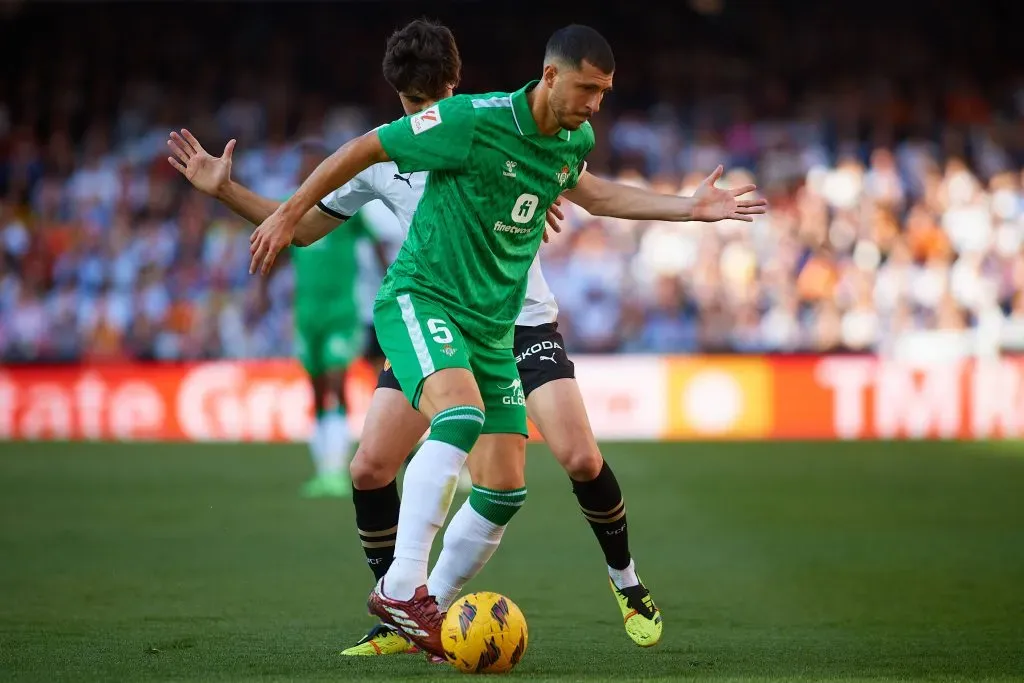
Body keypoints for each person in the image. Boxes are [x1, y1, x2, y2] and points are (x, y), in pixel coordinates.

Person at [247, 23, 766, 658]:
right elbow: (364, 148)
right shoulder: (470, 118)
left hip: (496, 325)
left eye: (604, 91)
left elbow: (596, 194)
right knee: (447, 421)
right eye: (587, 88)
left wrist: (688, 208)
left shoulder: (573, 138)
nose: (596, 103)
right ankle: (399, 591)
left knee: (504, 486)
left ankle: (422, 610)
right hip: (426, 297)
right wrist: (282, 210)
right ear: (550, 76)